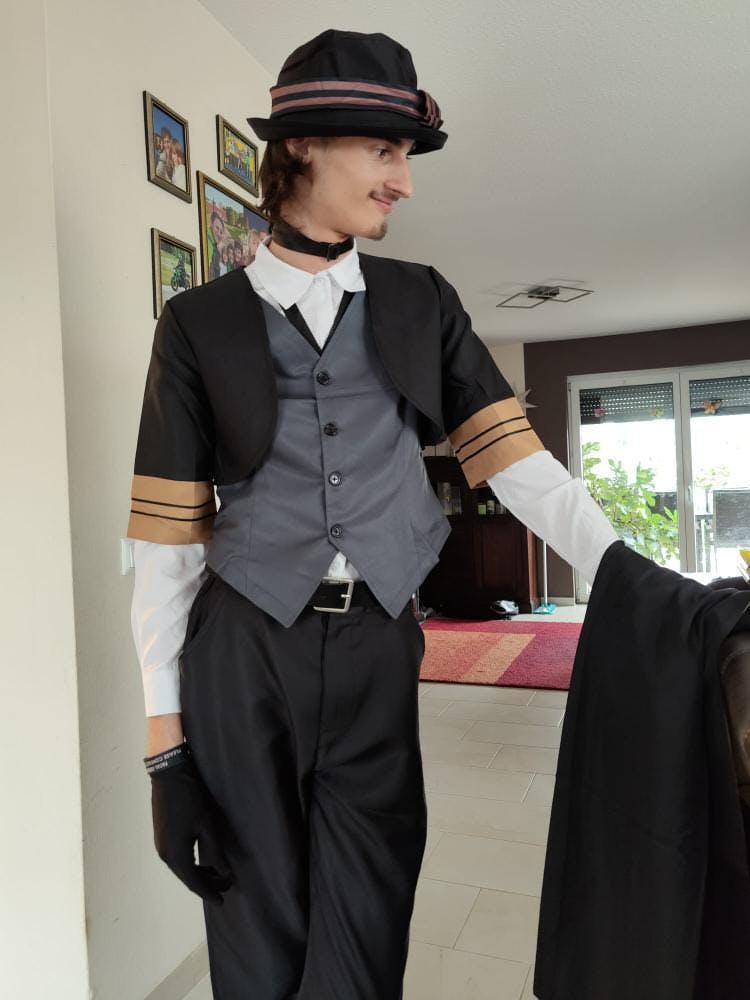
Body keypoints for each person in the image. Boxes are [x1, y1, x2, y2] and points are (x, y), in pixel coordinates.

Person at [126, 29, 618, 999]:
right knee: (256, 936)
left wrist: (630, 572)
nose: (405, 182)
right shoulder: (195, 323)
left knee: (370, 921)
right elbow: (166, 541)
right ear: (304, 146)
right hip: (243, 651)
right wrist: (164, 748)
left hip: (379, 644)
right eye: (385, 151)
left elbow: (519, 463)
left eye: (406, 156)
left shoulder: (421, 301)